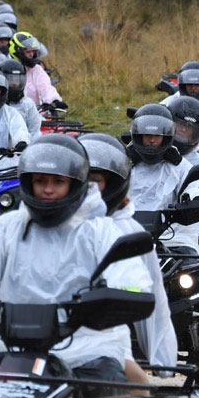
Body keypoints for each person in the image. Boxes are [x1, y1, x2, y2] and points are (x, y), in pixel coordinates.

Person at [0, 135, 152, 380]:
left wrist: (128, 290)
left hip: (84, 349)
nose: (48, 189)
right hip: (4, 346)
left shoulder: (98, 231)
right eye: (40, 180)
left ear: (75, 184)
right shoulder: (7, 227)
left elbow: (126, 270)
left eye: (58, 181)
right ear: (28, 182)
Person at [80, 132, 177, 374]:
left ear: (114, 184)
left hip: (102, 345)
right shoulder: (43, 224)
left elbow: (150, 294)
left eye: (95, 180)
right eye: (81, 180)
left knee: (137, 394)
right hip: (36, 341)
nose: (87, 189)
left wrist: (162, 361)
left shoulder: (126, 232)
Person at [159, 95, 199, 252]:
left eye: (189, 127)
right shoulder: (152, 158)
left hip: (182, 231)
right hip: (148, 230)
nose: (183, 129)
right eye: (180, 124)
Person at [9, 31, 63, 108]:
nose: (31, 54)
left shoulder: (36, 70)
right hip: (11, 113)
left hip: (35, 113)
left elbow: (45, 86)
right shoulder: (7, 70)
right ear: (17, 51)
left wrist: (54, 100)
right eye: (28, 51)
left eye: (33, 51)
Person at [0, 59, 42, 137]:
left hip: (22, 145)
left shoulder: (28, 104)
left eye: (17, 80)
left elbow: (34, 131)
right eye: (11, 80)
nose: (14, 83)